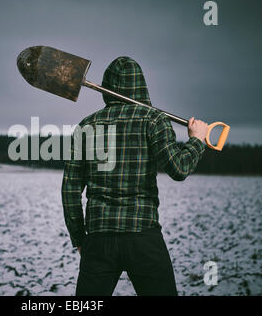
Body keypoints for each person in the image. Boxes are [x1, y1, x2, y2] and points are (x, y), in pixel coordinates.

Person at [61, 56, 208, 296]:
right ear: (141, 85)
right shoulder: (154, 120)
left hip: (99, 239)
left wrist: (79, 238)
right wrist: (197, 140)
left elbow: (70, 189)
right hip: (143, 237)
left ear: (107, 88)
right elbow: (179, 168)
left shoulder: (86, 125)